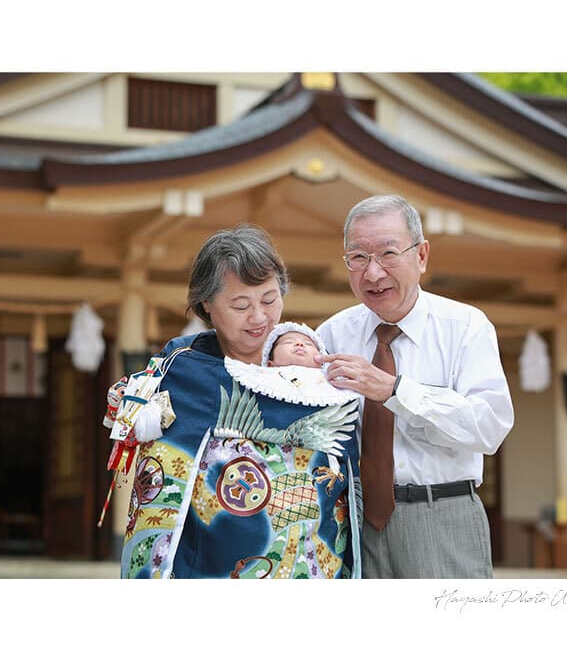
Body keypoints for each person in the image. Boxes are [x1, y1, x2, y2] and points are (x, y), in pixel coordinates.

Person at [104, 225, 362, 579]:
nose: (259, 317)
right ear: (206, 305)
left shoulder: (317, 372)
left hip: (310, 565)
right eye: (241, 305)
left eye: (270, 300)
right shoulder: (182, 371)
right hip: (205, 565)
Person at [315, 194, 514, 579]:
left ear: (421, 255)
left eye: (388, 253)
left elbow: (489, 427)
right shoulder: (333, 334)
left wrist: (394, 391)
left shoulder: (466, 327)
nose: (372, 273)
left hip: (441, 514)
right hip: (351, 522)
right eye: (358, 257)